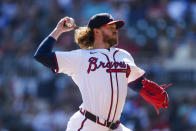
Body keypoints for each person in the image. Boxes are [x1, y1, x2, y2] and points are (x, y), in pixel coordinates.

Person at [34, 13, 170, 131]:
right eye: (110, 27)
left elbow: (136, 83)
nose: (115, 30)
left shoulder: (123, 55)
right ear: (97, 32)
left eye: (116, 27)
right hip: (88, 125)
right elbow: (42, 55)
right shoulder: (81, 57)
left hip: (115, 126)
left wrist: (144, 88)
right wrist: (58, 30)